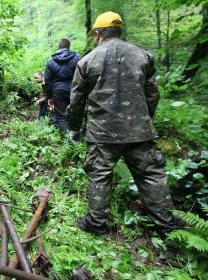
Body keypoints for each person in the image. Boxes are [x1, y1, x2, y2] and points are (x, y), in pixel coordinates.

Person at [66, 11, 181, 237]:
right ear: (119, 31)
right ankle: (167, 226)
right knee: (151, 175)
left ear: (98, 34)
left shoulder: (87, 61)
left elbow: (76, 101)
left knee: (100, 175)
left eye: (94, 35)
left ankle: (96, 224)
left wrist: (74, 127)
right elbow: (152, 95)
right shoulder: (143, 56)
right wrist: (144, 119)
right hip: (140, 131)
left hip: (102, 133)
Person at [45, 38, 79, 137]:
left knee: (61, 117)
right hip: (74, 90)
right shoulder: (77, 57)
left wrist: (49, 96)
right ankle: (76, 138)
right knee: (75, 114)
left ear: (59, 47)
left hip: (58, 91)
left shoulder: (51, 60)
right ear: (69, 46)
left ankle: (68, 140)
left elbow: (48, 80)